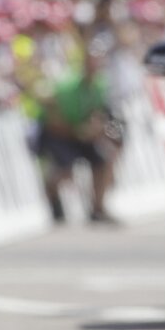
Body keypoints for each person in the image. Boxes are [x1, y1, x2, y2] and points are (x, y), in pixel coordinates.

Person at [36, 49, 121, 225]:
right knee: (64, 171)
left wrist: (95, 129)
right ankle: (52, 195)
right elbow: (53, 117)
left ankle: (97, 207)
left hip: (81, 132)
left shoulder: (99, 85)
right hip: (59, 133)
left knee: (103, 160)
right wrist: (77, 132)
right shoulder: (67, 87)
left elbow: (99, 112)